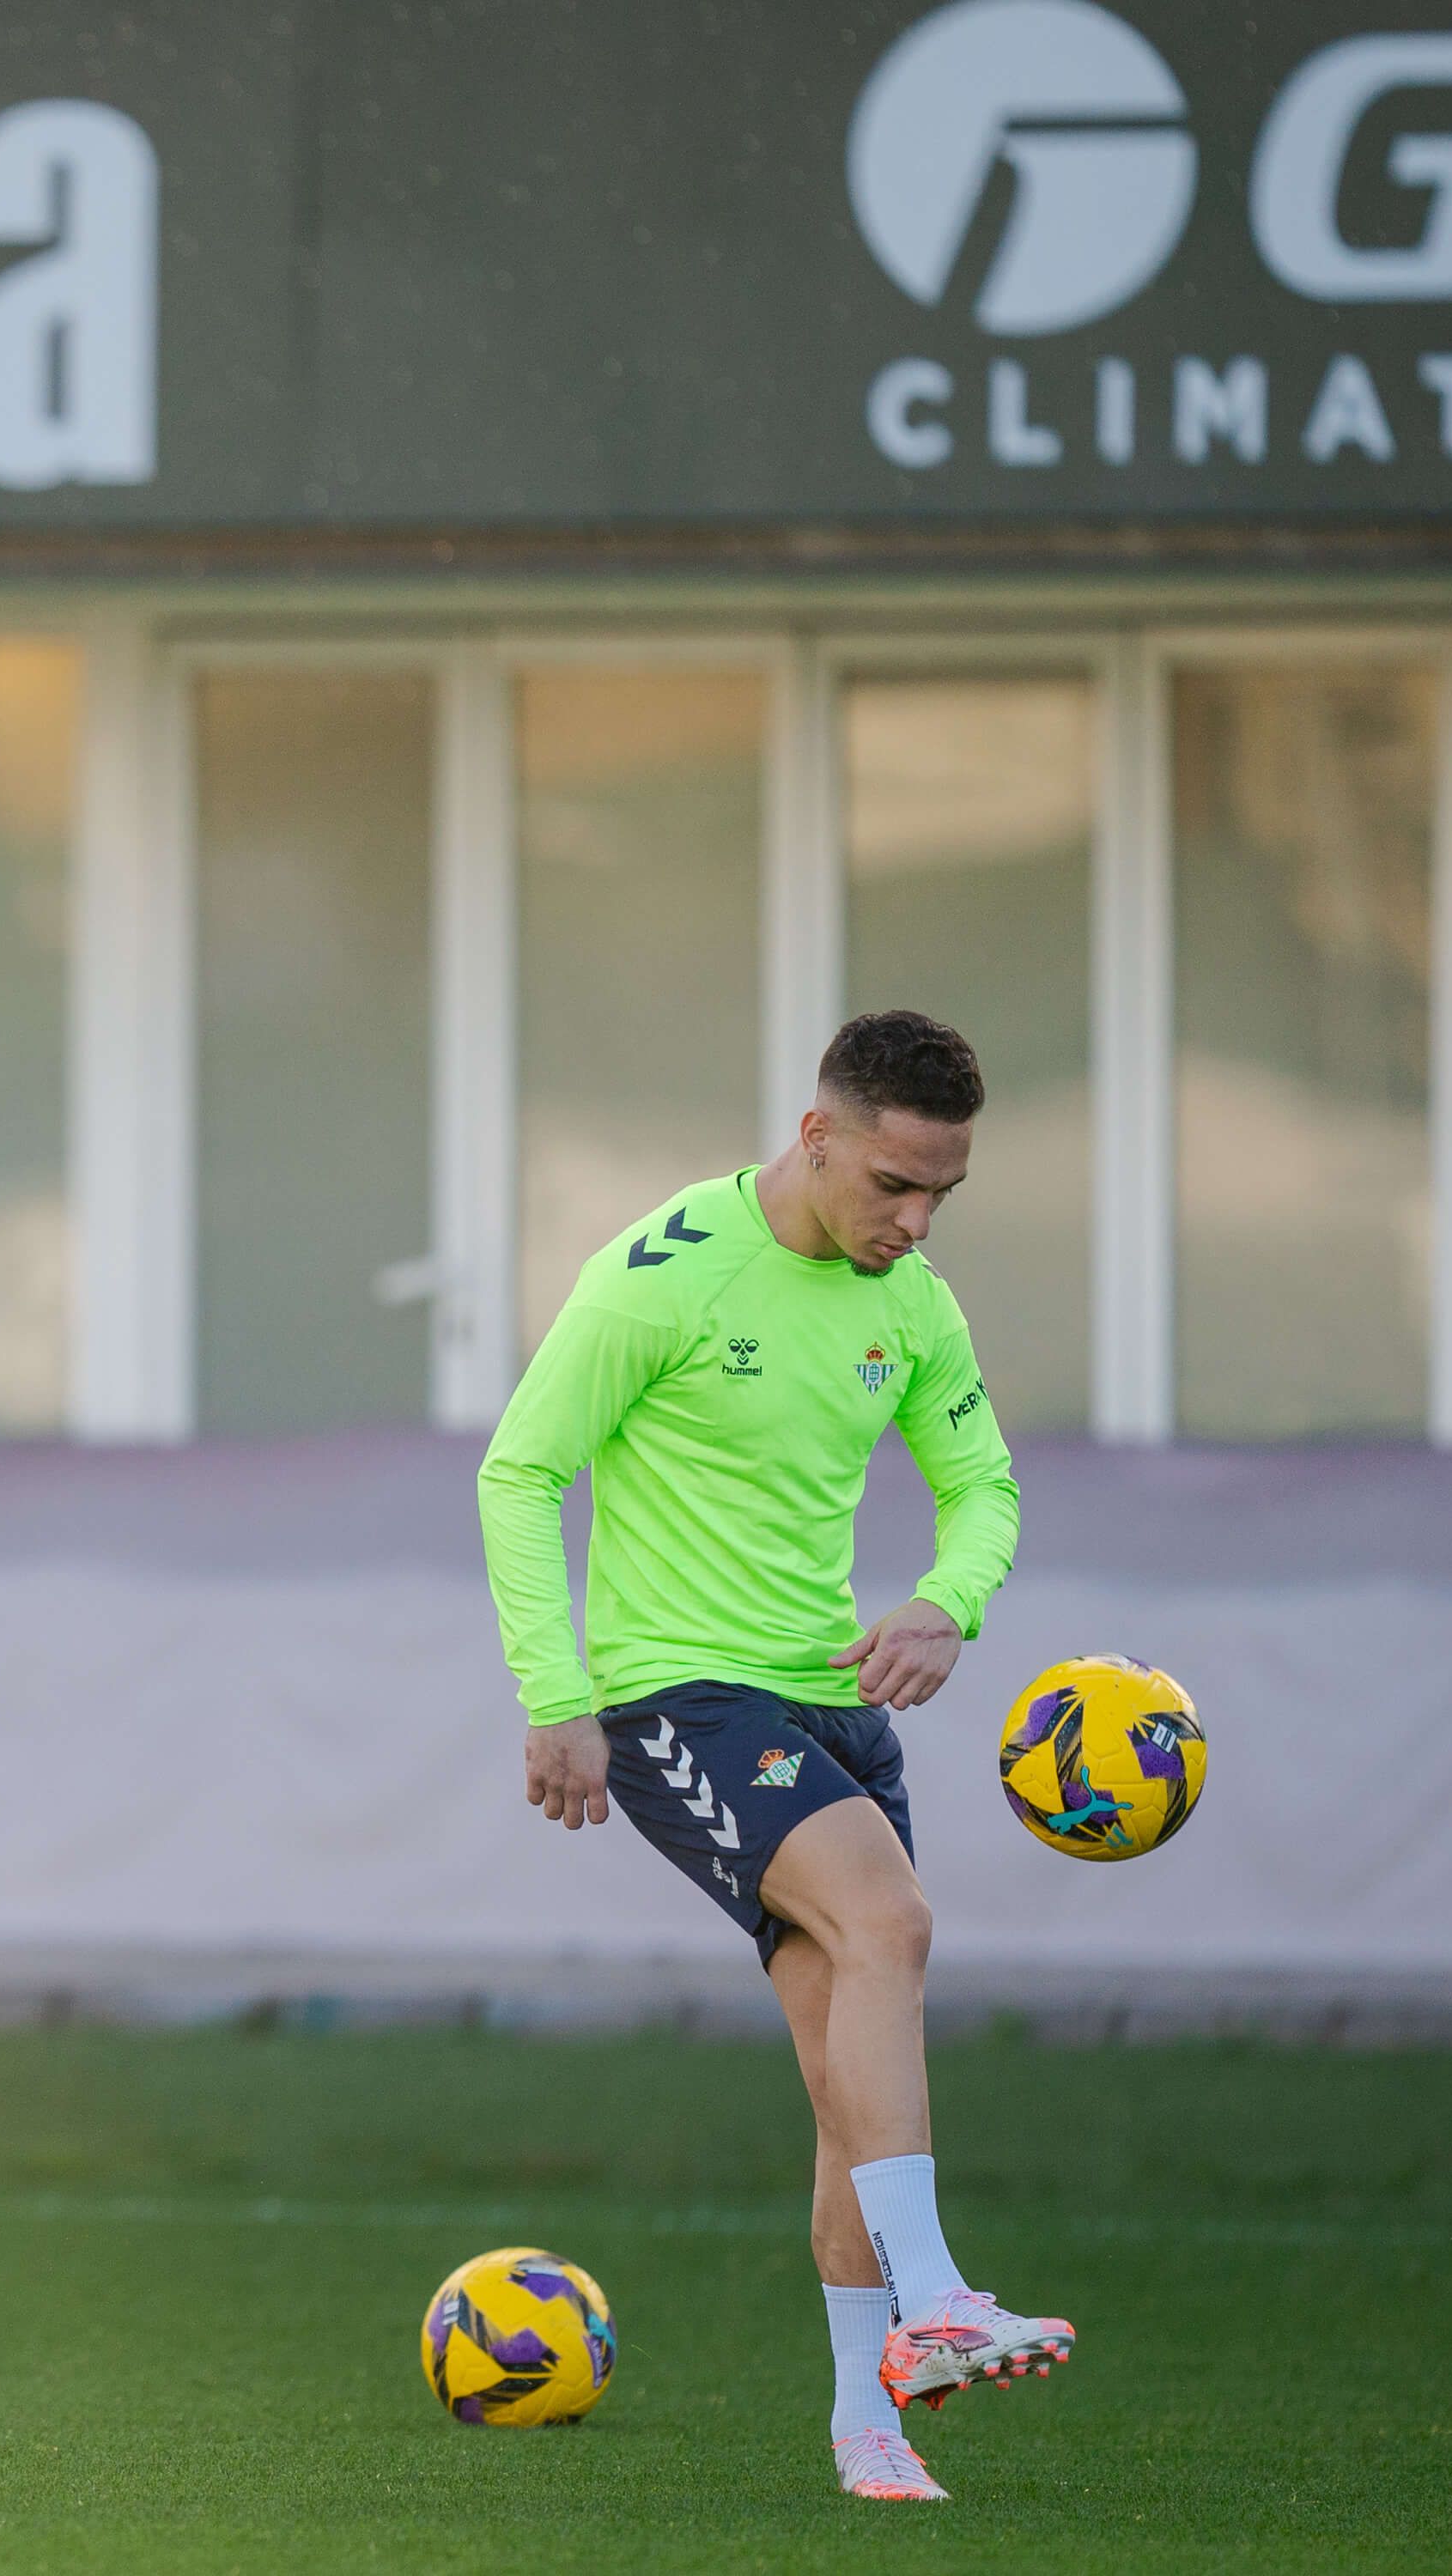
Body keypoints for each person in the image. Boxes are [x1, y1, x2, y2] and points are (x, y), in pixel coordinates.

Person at [474, 1008, 1063, 2506]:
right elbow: (520, 1468)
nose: (914, 1221)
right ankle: (935, 2299)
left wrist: (948, 1599)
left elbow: (984, 1485)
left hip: (839, 1708)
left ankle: (870, 2429)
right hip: (684, 1694)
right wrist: (560, 1698)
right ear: (816, 1138)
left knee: (843, 2064)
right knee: (895, 1925)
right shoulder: (660, 1274)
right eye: (891, 1185)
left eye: (941, 1195)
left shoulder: (915, 1305)